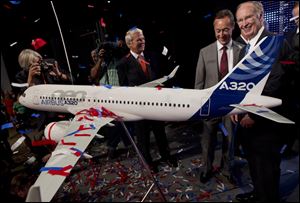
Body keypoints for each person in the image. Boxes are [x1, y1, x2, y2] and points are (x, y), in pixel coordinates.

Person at [233, 2, 293, 202]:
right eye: (240, 20)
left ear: (260, 17)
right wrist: (234, 107)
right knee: (254, 162)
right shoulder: (244, 50)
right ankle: (258, 194)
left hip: (265, 121)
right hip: (246, 120)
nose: (243, 24)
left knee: (267, 165)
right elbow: (239, 84)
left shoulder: (275, 42)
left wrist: (251, 113)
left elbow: (277, 81)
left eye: (247, 18)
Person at [117, 28, 177, 172]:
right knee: (142, 137)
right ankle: (148, 163)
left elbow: (161, 75)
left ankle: (166, 156)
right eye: (139, 39)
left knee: (160, 133)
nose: (142, 41)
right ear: (130, 43)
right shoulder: (123, 64)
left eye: (143, 38)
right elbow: (123, 88)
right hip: (138, 108)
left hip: (156, 105)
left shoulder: (152, 56)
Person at [194, 9, 242, 183]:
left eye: (225, 30)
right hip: (210, 107)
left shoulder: (241, 51)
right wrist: (198, 107)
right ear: (214, 30)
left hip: (231, 107)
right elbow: (199, 83)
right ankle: (206, 168)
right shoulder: (204, 52)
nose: (222, 34)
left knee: (230, 141)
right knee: (207, 140)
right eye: (218, 31)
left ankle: (228, 170)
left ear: (232, 28)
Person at [90, 40, 131, 158]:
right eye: (95, 55)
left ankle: (112, 147)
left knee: (118, 122)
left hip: (119, 97)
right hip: (105, 100)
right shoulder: (99, 65)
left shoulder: (117, 60)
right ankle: (128, 145)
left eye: (97, 54)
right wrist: (100, 60)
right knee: (116, 123)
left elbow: (123, 53)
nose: (95, 57)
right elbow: (93, 75)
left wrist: (116, 48)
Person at [281, 1, 299, 158]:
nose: (297, 20)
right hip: (291, 88)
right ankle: (288, 148)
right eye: (295, 18)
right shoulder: (289, 36)